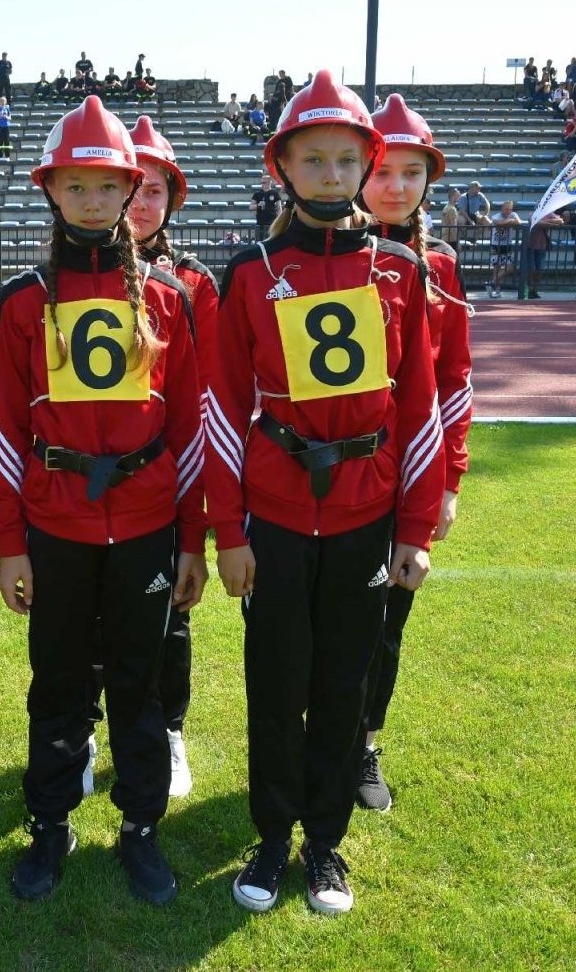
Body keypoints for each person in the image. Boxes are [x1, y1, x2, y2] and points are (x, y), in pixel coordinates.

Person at [208, 71, 442, 916]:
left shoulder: (402, 270)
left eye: (348, 159)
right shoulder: (251, 272)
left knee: (342, 680)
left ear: (367, 164)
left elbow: (418, 408)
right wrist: (227, 532)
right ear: (285, 167)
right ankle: (271, 837)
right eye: (315, 159)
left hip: (364, 513)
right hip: (272, 510)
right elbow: (221, 407)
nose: (333, 174)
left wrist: (415, 527)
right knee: (275, 678)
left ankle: (324, 844)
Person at [0, 96, 206, 906]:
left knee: (139, 684)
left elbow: (190, 427)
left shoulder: (169, 300)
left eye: (107, 185)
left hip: (148, 524)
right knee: (56, 680)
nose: (92, 199)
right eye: (74, 185)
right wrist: (9, 542)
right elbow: (1, 431)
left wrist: (194, 538)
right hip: (54, 526)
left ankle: (140, 829)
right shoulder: (20, 301)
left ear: (129, 189)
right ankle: (50, 825)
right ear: (53, 191)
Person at [356, 93, 472, 812]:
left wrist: (448, 483)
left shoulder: (440, 268)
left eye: (410, 172)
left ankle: (364, 745)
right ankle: (309, 745)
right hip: (326, 481)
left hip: (404, 483)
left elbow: (453, 382)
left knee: (386, 626)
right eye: (381, 170)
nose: (395, 186)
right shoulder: (305, 260)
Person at [126, 114, 219, 800]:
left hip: (161, 486)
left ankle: (171, 730)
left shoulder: (190, 284)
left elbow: (202, 398)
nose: (139, 203)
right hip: (86, 490)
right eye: (131, 187)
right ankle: (95, 728)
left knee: (169, 619)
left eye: (154, 190)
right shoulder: (58, 283)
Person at [525, 209, 564, 299]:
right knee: (531, 269)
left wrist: (546, 222)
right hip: (530, 244)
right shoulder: (532, 213)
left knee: (540, 269)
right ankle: (530, 289)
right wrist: (552, 223)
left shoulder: (549, 213)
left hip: (542, 246)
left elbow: (561, 221)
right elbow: (536, 222)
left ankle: (535, 289)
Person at [489, 200, 522, 298]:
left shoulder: (513, 214)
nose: (508, 212)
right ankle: (496, 289)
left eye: (510, 209)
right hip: (496, 245)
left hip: (507, 245)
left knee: (510, 267)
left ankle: (491, 282)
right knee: (497, 268)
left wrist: (509, 221)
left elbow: (518, 222)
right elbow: (498, 222)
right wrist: (510, 221)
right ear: (502, 209)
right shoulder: (496, 216)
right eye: (506, 209)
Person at [252, 174, 280, 241]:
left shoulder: (275, 193)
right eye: (261, 183)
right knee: (259, 242)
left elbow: (279, 208)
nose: (262, 184)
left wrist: (279, 220)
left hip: (271, 222)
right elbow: (251, 207)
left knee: (271, 241)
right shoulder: (257, 194)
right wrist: (258, 205)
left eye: (264, 182)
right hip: (260, 222)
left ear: (270, 182)